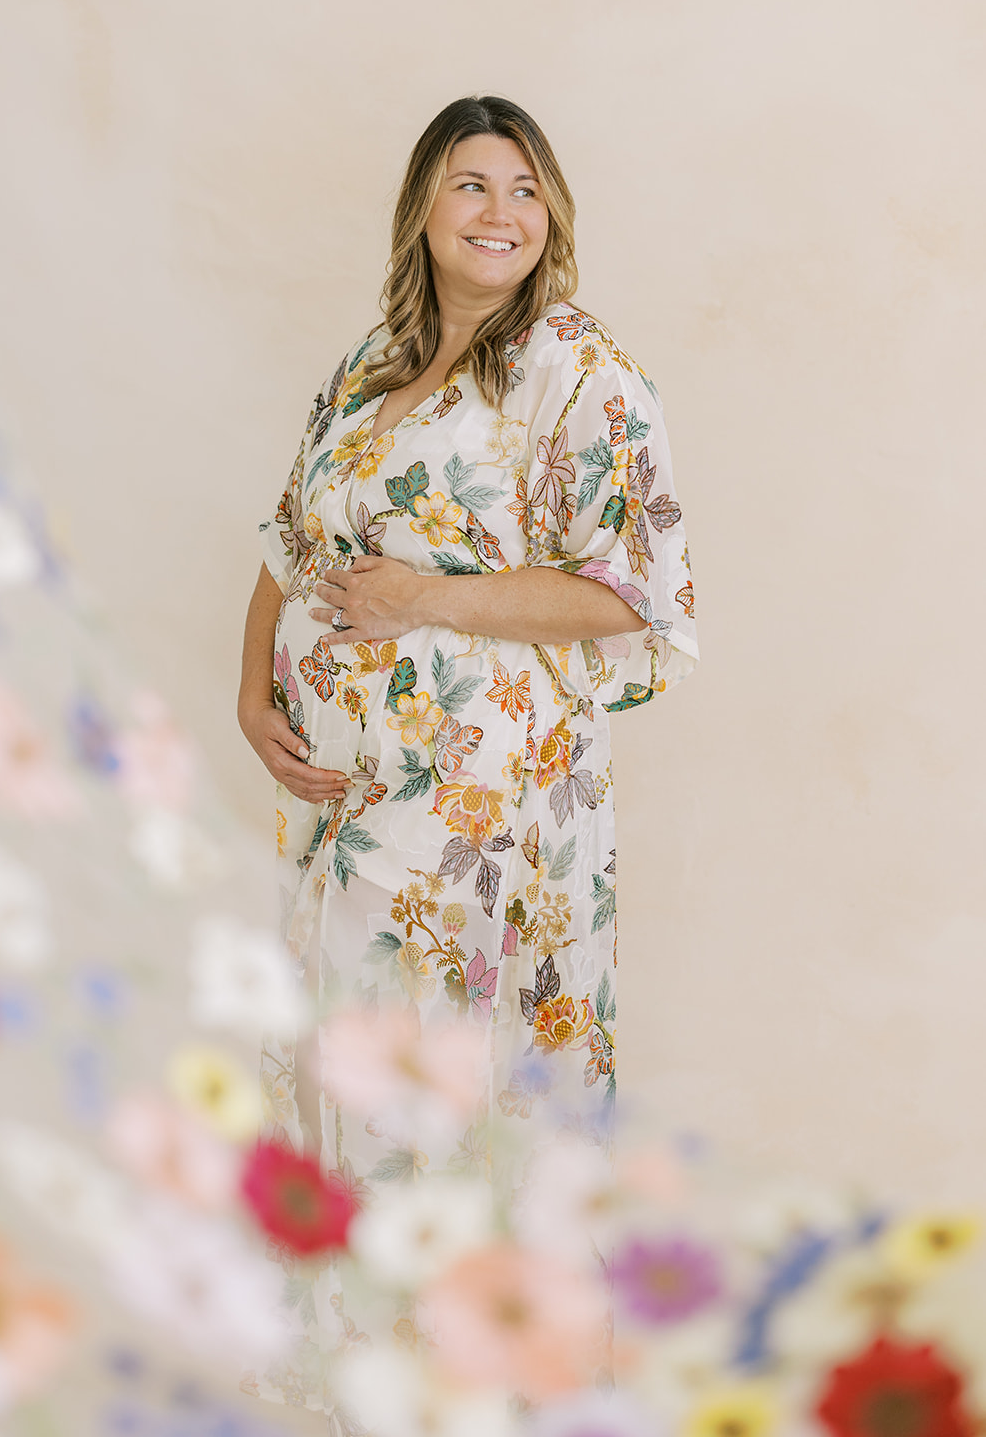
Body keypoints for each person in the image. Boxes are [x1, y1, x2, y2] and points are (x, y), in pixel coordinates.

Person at [237, 96, 697, 1419]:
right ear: (424, 213)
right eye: (469, 185)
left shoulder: (576, 367)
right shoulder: (371, 363)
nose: (499, 211)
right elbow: (287, 541)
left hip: (491, 817)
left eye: (524, 188)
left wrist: (428, 601)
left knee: (468, 1110)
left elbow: (638, 598)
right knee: (350, 1096)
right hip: (343, 814)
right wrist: (248, 687)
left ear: (549, 216)